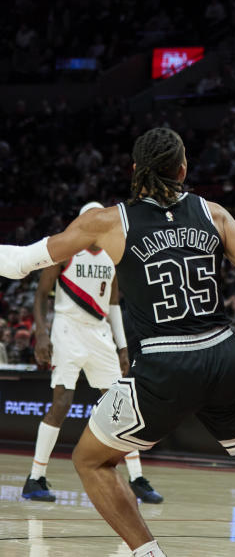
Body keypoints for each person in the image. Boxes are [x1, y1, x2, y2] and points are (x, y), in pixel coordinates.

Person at [0, 128, 235, 557]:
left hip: (165, 365)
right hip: (224, 356)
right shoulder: (213, 213)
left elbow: (19, 263)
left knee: (89, 460)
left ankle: (148, 553)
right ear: (183, 169)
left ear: (135, 171)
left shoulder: (107, 221)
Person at [23, 202, 162, 505]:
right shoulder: (65, 249)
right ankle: (35, 478)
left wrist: (123, 346)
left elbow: (113, 306)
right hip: (67, 329)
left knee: (121, 407)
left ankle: (136, 478)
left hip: (99, 334)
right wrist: (42, 333)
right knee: (62, 402)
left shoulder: (112, 256)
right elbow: (40, 294)